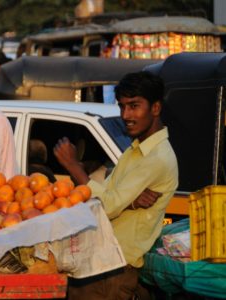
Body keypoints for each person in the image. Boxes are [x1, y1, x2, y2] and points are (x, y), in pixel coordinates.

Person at [52, 71, 178, 299]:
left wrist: (73, 166)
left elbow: (107, 206)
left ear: (155, 108)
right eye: (122, 106)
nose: (126, 115)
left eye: (134, 106)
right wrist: (128, 204)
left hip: (115, 269)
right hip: (101, 262)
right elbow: (107, 196)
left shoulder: (157, 157)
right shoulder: (136, 150)